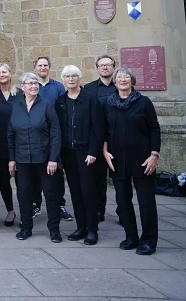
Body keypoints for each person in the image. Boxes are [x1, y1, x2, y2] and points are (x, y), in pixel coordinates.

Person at [104, 67, 160, 255]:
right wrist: (104, 151)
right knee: (123, 201)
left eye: (126, 77)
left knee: (146, 201)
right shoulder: (108, 104)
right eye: (119, 77)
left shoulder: (143, 102)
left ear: (132, 81)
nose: (123, 79)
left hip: (143, 160)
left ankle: (149, 240)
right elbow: (104, 130)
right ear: (115, 81)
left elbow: (154, 129)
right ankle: (131, 236)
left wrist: (154, 155)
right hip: (117, 160)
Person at [9, 72, 62, 242]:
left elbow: (55, 134)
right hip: (22, 159)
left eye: (36, 83)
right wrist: (12, 158)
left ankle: (54, 229)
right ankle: (26, 227)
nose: (34, 86)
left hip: (45, 159)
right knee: (24, 194)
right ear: (22, 87)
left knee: (50, 194)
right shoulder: (16, 106)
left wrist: (53, 159)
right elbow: (10, 134)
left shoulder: (46, 105)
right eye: (30, 83)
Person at [54, 65, 103, 245]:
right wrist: (57, 155)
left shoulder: (91, 99)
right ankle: (81, 227)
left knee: (88, 191)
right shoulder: (60, 101)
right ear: (63, 80)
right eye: (67, 76)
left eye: (74, 76)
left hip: (85, 153)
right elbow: (57, 129)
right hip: (68, 153)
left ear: (79, 78)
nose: (71, 79)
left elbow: (97, 129)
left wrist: (93, 152)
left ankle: (92, 229)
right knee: (75, 191)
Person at [34, 56, 72, 222]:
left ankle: (60, 204)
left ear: (49, 67)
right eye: (39, 65)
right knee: (35, 173)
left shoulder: (58, 87)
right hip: (36, 137)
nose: (43, 68)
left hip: (55, 136)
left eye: (45, 65)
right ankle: (36, 204)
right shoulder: (30, 86)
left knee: (56, 173)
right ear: (35, 68)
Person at [84, 54, 117, 223]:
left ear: (113, 67)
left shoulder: (121, 86)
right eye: (102, 65)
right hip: (97, 139)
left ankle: (123, 211)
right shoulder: (88, 89)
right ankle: (99, 210)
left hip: (117, 139)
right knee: (98, 178)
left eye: (108, 65)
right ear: (97, 68)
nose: (105, 67)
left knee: (119, 178)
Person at [0, 63, 19, 227]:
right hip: (1, 144)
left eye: (4, 71)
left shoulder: (21, 94)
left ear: (10, 73)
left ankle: (26, 209)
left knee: (22, 180)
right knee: (4, 179)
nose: (1, 74)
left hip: (20, 143)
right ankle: (10, 210)